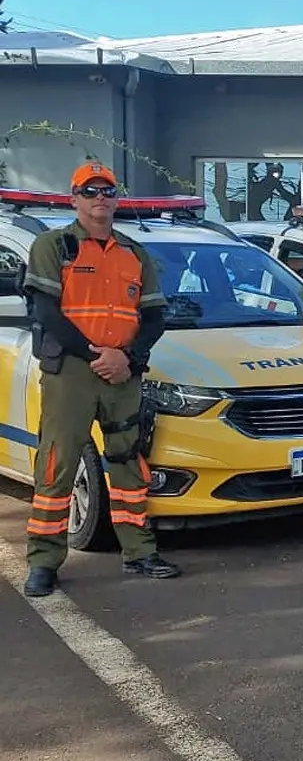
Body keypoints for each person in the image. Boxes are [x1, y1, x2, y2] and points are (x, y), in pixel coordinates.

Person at [21, 162, 180, 597]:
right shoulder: (55, 246)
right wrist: (97, 355)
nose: (99, 199)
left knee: (129, 460)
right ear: (74, 199)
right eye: (89, 192)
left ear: (116, 199)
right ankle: (43, 562)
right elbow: (46, 313)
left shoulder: (134, 252)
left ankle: (139, 552)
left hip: (122, 370)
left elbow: (153, 316)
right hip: (73, 371)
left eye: (107, 191)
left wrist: (125, 356)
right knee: (57, 465)